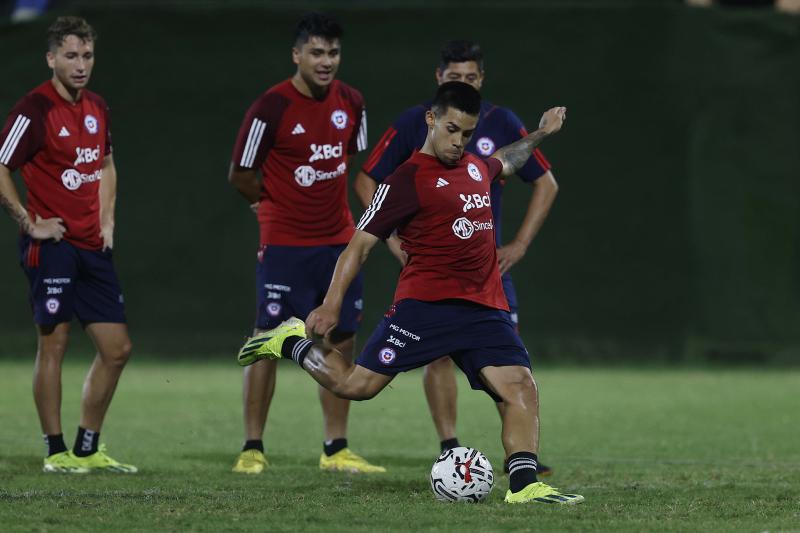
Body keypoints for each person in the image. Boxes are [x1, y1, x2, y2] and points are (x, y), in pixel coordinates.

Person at [238, 82, 584, 504]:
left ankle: (524, 485)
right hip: (424, 309)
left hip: (482, 308)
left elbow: (505, 160)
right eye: (452, 129)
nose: (459, 142)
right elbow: (358, 245)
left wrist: (542, 133)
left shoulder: (476, 166)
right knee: (355, 386)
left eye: (468, 134)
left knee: (521, 387)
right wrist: (330, 303)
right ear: (431, 119)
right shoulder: (406, 180)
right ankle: (288, 342)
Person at [353, 40, 558, 474]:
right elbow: (370, 183)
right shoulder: (414, 125)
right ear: (438, 82)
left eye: (470, 78)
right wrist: (393, 242)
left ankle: (522, 465)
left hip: (485, 276)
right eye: (454, 78)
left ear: (481, 82)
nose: (460, 139)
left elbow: (536, 177)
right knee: (387, 374)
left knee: (513, 371)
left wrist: (518, 244)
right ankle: (450, 446)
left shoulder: (499, 124)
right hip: (432, 279)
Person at [228, 12, 383, 475]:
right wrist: (266, 205)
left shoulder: (352, 102)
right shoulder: (270, 107)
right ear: (297, 55)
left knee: (342, 339)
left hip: (337, 242)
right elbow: (239, 173)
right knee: (267, 342)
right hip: (284, 245)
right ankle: (253, 445)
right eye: (316, 52)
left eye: (333, 52)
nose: (326, 61)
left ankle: (335, 448)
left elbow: (349, 163)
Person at [0, 16, 136, 473]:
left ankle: (87, 447)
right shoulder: (33, 110)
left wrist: (107, 218)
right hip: (52, 245)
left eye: (87, 55)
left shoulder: (96, 106)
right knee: (53, 345)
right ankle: (56, 450)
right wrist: (28, 221)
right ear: (51, 58)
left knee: (117, 349)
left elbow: (107, 163)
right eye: (71, 56)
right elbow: (1, 166)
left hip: (91, 245)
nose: (80, 65)